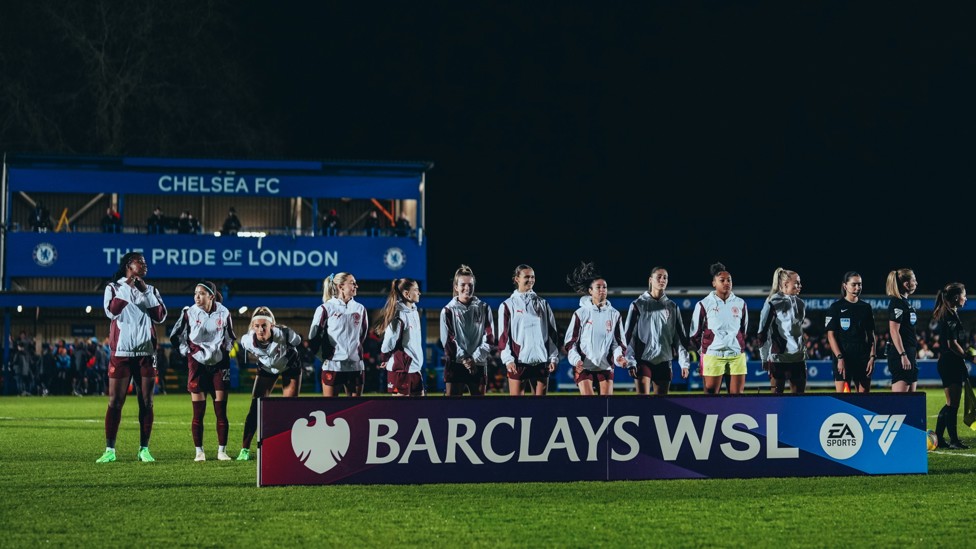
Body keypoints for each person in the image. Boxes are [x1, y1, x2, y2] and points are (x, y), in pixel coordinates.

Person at [96, 252, 168, 463]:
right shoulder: (114, 288)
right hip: (122, 353)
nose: (145, 265)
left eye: (145, 262)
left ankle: (143, 449)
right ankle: (110, 450)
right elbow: (112, 312)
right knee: (115, 402)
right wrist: (128, 287)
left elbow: (160, 316)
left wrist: (146, 292)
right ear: (129, 264)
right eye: (141, 262)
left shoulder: (151, 289)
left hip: (146, 353)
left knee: (147, 402)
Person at [169, 281, 236, 461]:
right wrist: (187, 352)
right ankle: (199, 451)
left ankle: (222, 451)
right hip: (197, 364)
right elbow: (176, 336)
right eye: (195, 293)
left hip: (219, 365)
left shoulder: (224, 312)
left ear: (211, 296)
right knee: (198, 412)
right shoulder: (188, 313)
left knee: (221, 410)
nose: (197, 297)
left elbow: (231, 336)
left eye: (201, 294)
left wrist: (224, 350)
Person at [236, 307, 303, 461]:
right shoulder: (247, 341)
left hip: (289, 366)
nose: (260, 329)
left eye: (264, 326)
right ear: (253, 326)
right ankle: (245, 450)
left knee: (290, 408)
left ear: (272, 325)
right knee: (255, 407)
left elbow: (298, 341)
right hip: (267, 368)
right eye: (257, 326)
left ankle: (289, 447)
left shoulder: (285, 334)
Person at [624, 266, 693, 395]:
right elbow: (629, 336)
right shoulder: (638, 305)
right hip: (643, 360)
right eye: (659, 277)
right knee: (643, 403)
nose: (662, 280)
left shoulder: (672, 307)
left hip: (664, 360)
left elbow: (679, 338)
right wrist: (630, 361)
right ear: (650, 280)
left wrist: (684, 363)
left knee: (660, 406)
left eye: (665, 277)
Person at [563, 262, 628, 396]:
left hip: (605, 366)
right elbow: (571, 342)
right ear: (590, 291)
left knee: (605, 407)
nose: (602, 290)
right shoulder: (581, 313)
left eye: (604, 287)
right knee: (589, 405)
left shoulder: (614, 314)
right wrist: (576, 360)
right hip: (584, 365)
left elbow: (618, 343)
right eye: (598, 287)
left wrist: (619, 358)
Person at [497, 264, 560, 396]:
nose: (531, 280)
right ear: (516, 279)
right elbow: (503, 337)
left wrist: (553, 357)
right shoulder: (507, 305)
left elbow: (552, 333)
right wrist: (508, 360)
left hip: (541, 361)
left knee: (541, 408)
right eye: (527, 277)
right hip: (518, 362)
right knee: (517, 408)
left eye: (533, 277)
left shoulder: (543, 303)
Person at [689, 262, 749, 395]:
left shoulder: (740, 303)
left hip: (736, 355)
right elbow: (694, 333)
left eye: (729, 280)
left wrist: (738, 344)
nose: (726, 283)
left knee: (737, 398)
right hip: (713, 354)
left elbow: (743, 330)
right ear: (714, 283)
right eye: (722, 280)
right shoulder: (704, 304)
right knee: (711, 397)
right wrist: (704, 351)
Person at [308, 273, 368, 397]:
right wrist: (325, 357)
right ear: (341, 287)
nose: (356, 286)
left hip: (355, 366)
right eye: (352, 283)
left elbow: (362, 336)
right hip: (333, 365)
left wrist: (354, 354)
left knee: (356, 411)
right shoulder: (325, 308)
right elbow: (313, 338)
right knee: (330, 409)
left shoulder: (360, 308)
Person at [440, 265, 495, 396]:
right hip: (456, 364)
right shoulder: (448, 310)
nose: (467, 288)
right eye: (463, 284)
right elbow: (448, 341)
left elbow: (490, 338)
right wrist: (465, 359)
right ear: (456, 287)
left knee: (479, 411)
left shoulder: (484, 308)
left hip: (479, 364)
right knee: (452, 411)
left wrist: (474, 359)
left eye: (470, 284)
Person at [755, 268, 808, 394]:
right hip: (779, 360)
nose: (800, 286)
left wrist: (803, 351)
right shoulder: (772, 302)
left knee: (800, 402)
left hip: (798, 359)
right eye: (797, 283)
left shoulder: (801, 303)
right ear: (785, 284)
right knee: (777, 403)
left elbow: (798, 331)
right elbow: (762, 332)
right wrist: (764, 358)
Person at [825, 271, 877, 393]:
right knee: (844, 400)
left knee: (864, 400)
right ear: (845, 286)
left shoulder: (866, 307)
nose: (857, 287)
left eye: (860, 284)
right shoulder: (836, 307)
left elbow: (871, 335)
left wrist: (872, 357)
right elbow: (831, 336)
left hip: (862, 357)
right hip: (843, 356)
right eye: (854, 284)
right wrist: (839, 357)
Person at [933, 282, 970, 449]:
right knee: (953, 403)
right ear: (956, 298)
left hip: (949, 362)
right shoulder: (949, 316)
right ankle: (954, 440)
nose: (965, 298)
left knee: (951, 403)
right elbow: (952, 344)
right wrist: (967, 356)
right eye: (964, 295)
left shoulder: (950, 313)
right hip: (950, 363)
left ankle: (940, 438)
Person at [376, 278, 424, 396]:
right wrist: (384, 358)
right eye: (416, 290)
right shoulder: (399, 315)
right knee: (400, 412)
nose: (419, 293)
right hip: (401, 371)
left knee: (422, 409)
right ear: (407, 294)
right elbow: (389, 342)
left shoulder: (414, 312)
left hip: (415, 369)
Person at [885, 268, 919, 393]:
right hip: (901, 354)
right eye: (914, 280)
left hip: (909, 352)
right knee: (900, 404)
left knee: (912, 402)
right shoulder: (897, 303)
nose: (916, 283)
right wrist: (903, 355)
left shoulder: (905, 303)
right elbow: (894, 331)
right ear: (906, 284)